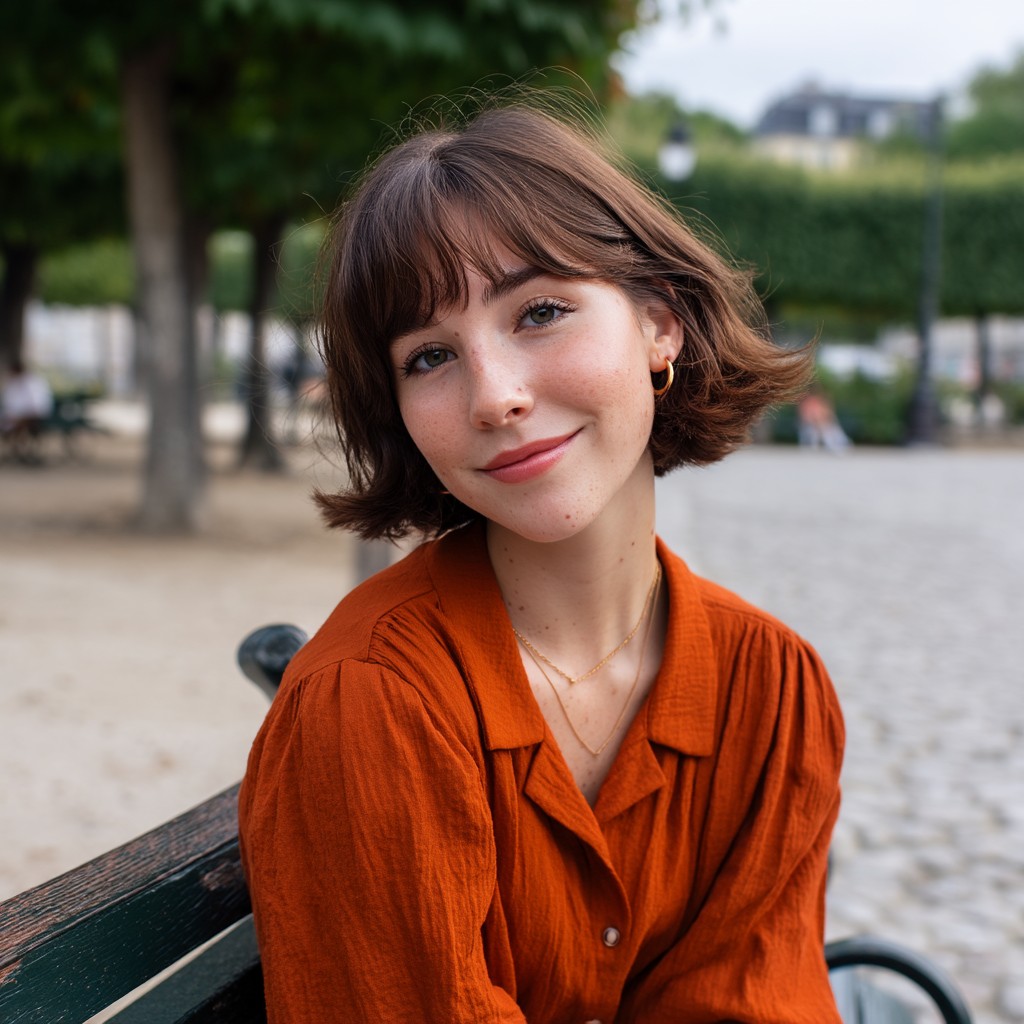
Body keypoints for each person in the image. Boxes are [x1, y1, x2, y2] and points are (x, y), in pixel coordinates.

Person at [239, 97, 845, 1023]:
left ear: (660, 325)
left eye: (541, 312)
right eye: (430, 356)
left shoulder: (772, 690)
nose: (496, 396)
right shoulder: (373, 707)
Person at [1, 359, 53, 463]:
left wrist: (18, 415)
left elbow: (37, 406)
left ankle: (19, 451)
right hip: (17, 416)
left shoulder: (33, 383)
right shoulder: (15, 383)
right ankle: (17, 451)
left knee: (15, 424)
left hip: (33, 415)